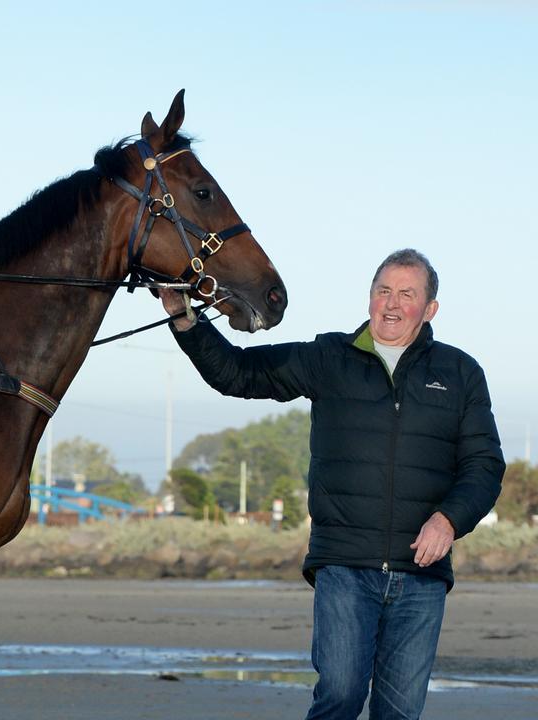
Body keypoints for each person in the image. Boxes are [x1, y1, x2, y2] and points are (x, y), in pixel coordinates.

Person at [160, 249, 503, 719]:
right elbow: (237, 373)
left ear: (429, 308)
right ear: (369, 299)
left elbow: (484, 465)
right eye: (383, 291)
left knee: (399, 713)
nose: (392, 304)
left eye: (407, 294)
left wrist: (448, 520)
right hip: (344, 567)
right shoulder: (329, 358)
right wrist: (185, 320)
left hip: (422, 576)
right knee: (340, 694)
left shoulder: (460, 372)